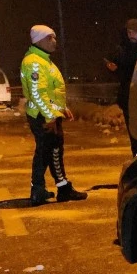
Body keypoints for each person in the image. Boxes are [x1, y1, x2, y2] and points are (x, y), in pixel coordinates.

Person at [21, 25, 87, 205]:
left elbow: (51, 91)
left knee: (51, 151)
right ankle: (43, 190)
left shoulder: (44, 60)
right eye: (50, 38)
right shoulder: (35, 62)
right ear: (39, 40)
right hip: (42, 116)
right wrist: (50, 116)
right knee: (46, 152)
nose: (54, 42)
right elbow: (38, 93)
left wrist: (62, 107)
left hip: (47, 114)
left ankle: (56, 188)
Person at [104, 18, 137, 154]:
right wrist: (113, 69)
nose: (131, 35)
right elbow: (120, 72)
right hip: (128, 95)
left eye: (135, 32)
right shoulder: (120, 50)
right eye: (129, 32)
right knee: (133, 132)